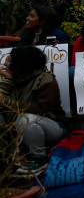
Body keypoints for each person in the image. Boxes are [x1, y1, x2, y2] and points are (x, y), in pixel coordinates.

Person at [0, 46, 65, 174]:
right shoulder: (13, 78)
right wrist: (7, 81)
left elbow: (39, 109)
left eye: (10, 62)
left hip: (50, 126)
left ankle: (38, 158)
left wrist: (6, 102)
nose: (6, 64)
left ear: (22, 64)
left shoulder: (45, 80)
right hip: (15, 126)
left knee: (26, 119)